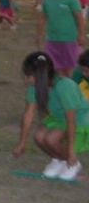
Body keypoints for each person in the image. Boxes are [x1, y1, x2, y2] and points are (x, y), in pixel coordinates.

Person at [13, 52, 88, 181]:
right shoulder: (35, 87)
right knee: (39, 137)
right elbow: (28, 115)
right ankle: (59, 160)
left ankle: (73, 164)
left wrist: (71, 152)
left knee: (51, 139)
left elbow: (72, 120)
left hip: (81, 120)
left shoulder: (65, 86)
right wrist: (22, 143)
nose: (26, 79)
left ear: (39, 76)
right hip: (60, 119)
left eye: (28, 76)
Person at [38, 0, 85, 77]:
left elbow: (80, 19)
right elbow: (42, 19)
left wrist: (81, 35)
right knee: (55, 71)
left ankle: (71, 90)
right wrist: (39, 36)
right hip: (52, 41)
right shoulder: (47, 0)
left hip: (69, 41)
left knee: (70, 71)